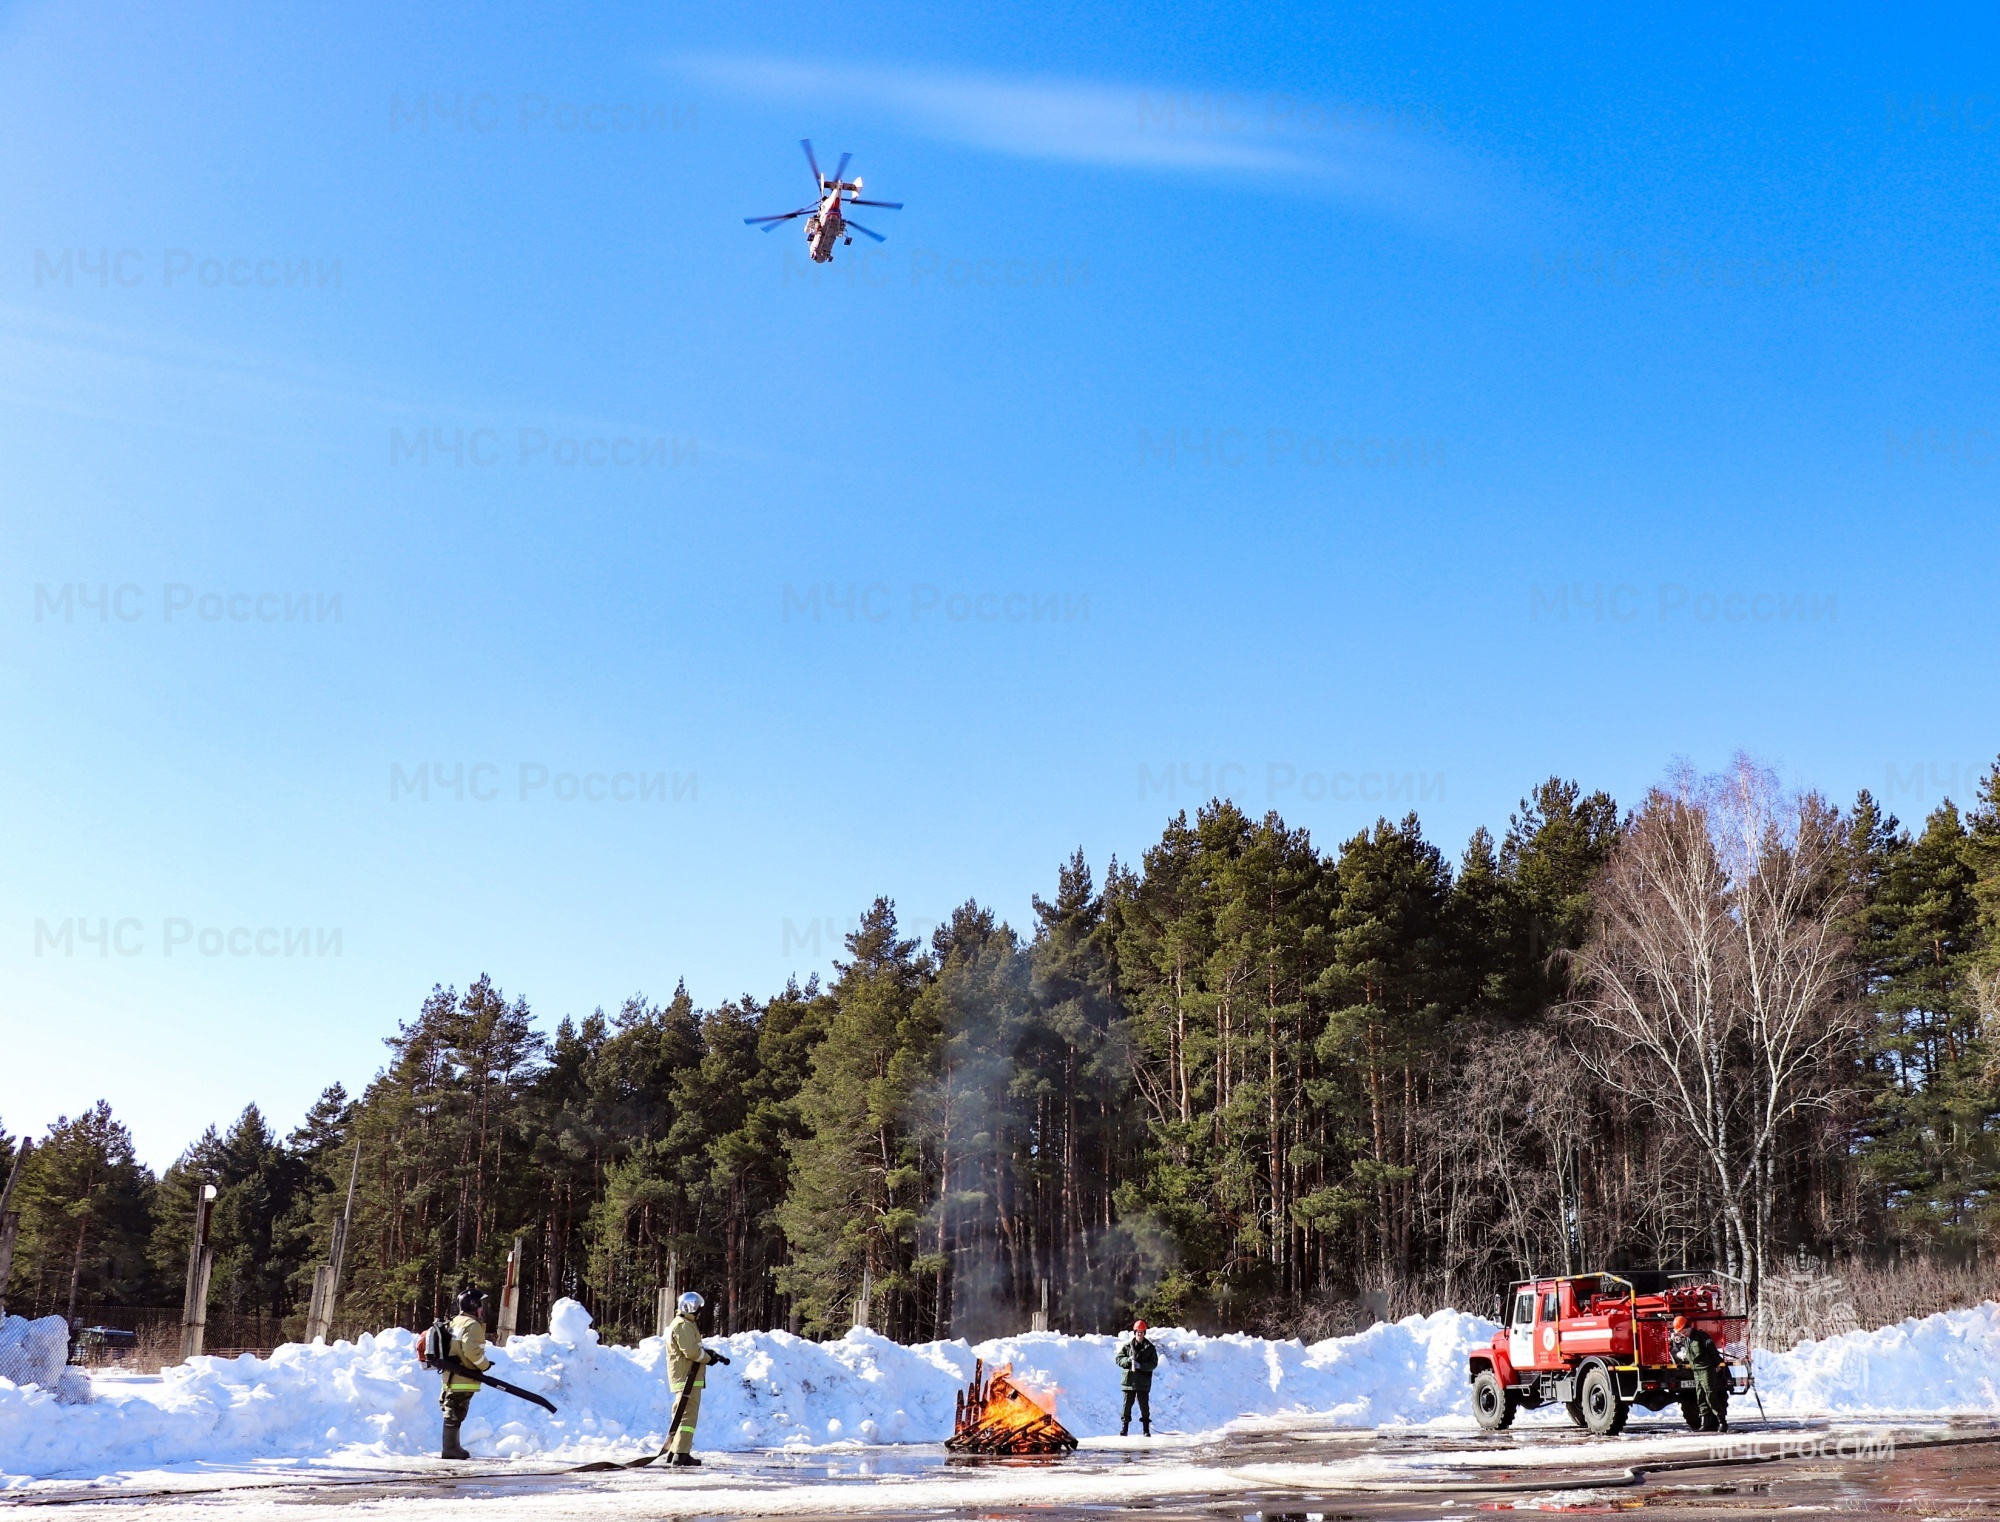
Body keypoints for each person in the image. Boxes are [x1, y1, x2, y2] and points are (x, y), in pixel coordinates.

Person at [665, 1290, 725, 1466]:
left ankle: (675, 1450)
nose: (699, 1313)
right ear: (692, 1307)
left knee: (682, 1415)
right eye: (698, 1309)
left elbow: (691, 1349)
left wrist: (709, 1354)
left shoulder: (683, 1324)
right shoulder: (683, 1325)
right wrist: (708, 1358)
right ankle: (681, 1455)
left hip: (686, 1377)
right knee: (687, 1417)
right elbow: (691, 1352)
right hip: (687, 1378)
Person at [439, 1286, 492, 1460]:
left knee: (451, 1411)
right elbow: (471, 1351)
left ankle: (453, 1447)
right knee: (455, 1413)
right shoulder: (472, 1325)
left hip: (450, 1375)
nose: (482, 1309)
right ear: (473, 1305)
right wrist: (484, 1365)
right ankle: (451, 1449)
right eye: (480, 1304)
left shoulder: (456, 1322)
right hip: (463, 1376)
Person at [1669, 1314, 1736, 1432]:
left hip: (1706, 1370)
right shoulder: (1687, 1340)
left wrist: (1717, 1365)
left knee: (1710, 1395)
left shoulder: (1701, 1336)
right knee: (1700, 1396)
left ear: (1687, 1327)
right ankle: (1705, 1423)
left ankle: (1722, 1422)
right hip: (1696, 1371)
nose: (1682, 1333)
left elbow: (1713, 1351)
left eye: (1682, 1331)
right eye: (1679, 1332)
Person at [1114, 1319, 1158, 1436]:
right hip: (1129, 1382)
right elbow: (1118, 1359)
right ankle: (1125, 1428)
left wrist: (1141, 1366)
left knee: (1144, 1407)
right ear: (1135, 1333)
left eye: (1142, 1332)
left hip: (1143, 1382)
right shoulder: (1127, 1347)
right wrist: (1128, 1360)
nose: (1140, 1334)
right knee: (1126, 1406)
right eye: (1138, 1332)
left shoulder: (1150, 1348)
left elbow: (1153, 1363)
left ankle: (1146, 1430)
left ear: (1144, 1333)